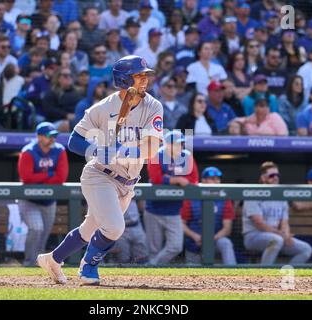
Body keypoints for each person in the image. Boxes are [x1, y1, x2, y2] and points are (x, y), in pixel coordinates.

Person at [37, 55, 163, 285]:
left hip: (128, 181)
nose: (144, 80)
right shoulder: (103, 108)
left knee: (88, 230)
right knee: (114, 228)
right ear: (124, 79)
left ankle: (52, 260)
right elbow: (74, 141)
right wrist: (96, 151)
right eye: (138, 75)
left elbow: (151, 149)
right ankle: (88, 267)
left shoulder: (153, 106)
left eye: (145, 75)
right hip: (99, 175)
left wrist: (121, 151)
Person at [17, 122, 69, 267]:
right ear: (39, 137)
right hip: (29, 200)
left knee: (44, 234)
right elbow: (26, 177)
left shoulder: (60, 150)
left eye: (54, 136)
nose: (52, 139)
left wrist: (40, 176)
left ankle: (38, 264)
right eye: (49, 136)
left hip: (49, 201)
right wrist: (49, 174)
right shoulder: (28, 151)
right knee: (36, 228)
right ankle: (29, 262)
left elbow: (61, 177)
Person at [242, 162, 312, 265]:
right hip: (254, 236)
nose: (275, 178)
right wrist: (282, 235)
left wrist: (287, 235)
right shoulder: (253, 194)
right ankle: (265, 276)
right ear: (263, 178)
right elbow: (259, 224)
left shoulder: (280, 195)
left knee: (305, 249)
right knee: (276, 240)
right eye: (271, 175)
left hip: (277, 236)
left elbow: (284, 222)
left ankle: (285, 276)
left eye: (277, 175)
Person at [144, 130, 199, 265]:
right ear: (167, 144)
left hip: (174, 210)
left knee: (175, 246)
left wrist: (170, 178)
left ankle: (151, 266)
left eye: (181, 144)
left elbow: (194, 179)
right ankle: (151, 278)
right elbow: (156, 179)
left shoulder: (187, 157)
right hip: (154, 209)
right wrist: (176, 181)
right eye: (176, 144)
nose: (180, 147)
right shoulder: (156, 155)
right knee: (153, 249)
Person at [181, 166, 237, 265]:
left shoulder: (225, 199)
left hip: (216, 240)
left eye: (218, 179)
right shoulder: (191, 197)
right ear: (203, 180)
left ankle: (233, 273)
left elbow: (227, 228)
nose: (216, 181)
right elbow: (182, 224)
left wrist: (210, 239)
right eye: (212, 179)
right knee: (191, 275)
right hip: (195, 242)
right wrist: (195, 236)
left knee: (226, 243)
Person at [41, 67, 82, 133]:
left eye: (70, 75)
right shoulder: (52, 93)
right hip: (55, 122)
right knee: (66, 125)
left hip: (76, 121)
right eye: (65, 76)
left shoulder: (78, 92)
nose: (68, 77)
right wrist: (66, 115)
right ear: (58, 78)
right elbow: (49, 110)